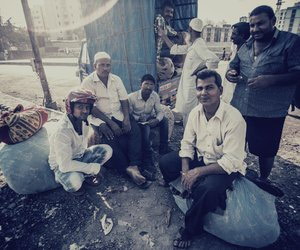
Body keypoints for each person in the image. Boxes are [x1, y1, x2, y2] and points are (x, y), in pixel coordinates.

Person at [159, 69, 247, 248]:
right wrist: (185, 171)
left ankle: (191, 229)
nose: (203, 93)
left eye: (209, 88)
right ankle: (185, 186)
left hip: (223, 167)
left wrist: (197, 172)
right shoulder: (195, 113)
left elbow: (231, 160)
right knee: (165, 162)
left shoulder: (234, 119)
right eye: (199, 89)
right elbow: (187, 143)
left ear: (220, 90)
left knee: (207, 190)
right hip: (200, 158)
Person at [226, 5, 300, 181]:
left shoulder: (290, 42)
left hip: (268, 111)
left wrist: (271, 80)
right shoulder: (247, 44)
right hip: (240, 106)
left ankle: (263, 179)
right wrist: (230, 74)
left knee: (265, 150)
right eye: (252, 25)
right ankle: (235, 174)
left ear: (273, 21)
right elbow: (233, 65)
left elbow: (297, 73)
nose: (255, 29)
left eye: (260, 24)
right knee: (236, 143)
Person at [81, 52, 151, 188]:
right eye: (102, 65)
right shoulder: (88, 82)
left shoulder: (116, 79)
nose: (105, 68)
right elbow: (91, 107)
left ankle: (134, 165)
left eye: (108, 65)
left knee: (135, 130)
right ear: (95, 66)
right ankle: (127, 170)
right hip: (99, 118)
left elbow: (124, 100)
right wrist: (110, 123)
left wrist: (126, 119)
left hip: (118, 114)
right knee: (110, 139)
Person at [48, 89, 113, 196]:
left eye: (87, 107)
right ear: (70, 107)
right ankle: (73, 177)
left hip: (79, 157)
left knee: (106, 150)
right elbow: (64, 165)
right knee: (75, 183)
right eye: (80, 107)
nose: (85, 111)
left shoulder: (83, 120)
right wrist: (95, 168)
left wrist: (103, 124)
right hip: (61, 166)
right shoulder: (62, 131)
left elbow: (94, 121)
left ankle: (84, 175)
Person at [159, 18, 220, 127]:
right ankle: (189, 136)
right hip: (188, 85)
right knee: (188, 114)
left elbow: (214, 59)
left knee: (191, 114)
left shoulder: (199, 45)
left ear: (190, 30)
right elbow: (175, 49)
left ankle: (191, 138)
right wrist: (164, 36)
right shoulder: (194, 44)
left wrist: (200, 71)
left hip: (192, 86)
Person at [128, 74, 169, 180]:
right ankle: (147, 160)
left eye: (151, 84)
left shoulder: (154, 95)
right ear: (140, 85)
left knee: (164, 120)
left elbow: (159, 111)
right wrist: (139, 120)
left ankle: (163, 149)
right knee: (145, 132)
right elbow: (128, 115)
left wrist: (156, 120)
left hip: (149, 119)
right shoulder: (131, 97)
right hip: (138, 122)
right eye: (146, 83)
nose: (149, 87)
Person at [222, 22, 250, 103]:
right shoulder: (235, 49)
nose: (231, 37)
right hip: (227, 94)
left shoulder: (248, 53)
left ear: (242, 36)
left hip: (238, 98)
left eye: (234, 34)